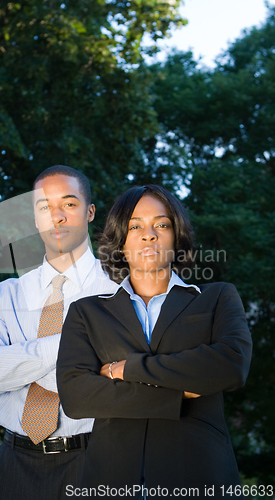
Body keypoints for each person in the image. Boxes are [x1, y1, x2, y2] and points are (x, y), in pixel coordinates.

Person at [57, 185, 253, 500]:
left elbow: (230, 365)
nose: (149, 235)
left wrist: (129, 368)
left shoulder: (217, 297)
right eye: (135, 226)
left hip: (201, 478)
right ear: (120, 241)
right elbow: (77, 397)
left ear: (176, 236)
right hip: (110, 481)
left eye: (161, 225)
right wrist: (178, 395)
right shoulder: (86, 312)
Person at [0, 165, 118, 500]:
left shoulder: (120, 293)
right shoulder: (4, 295)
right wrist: (71, 346)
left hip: (99, 462)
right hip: (13, 465)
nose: (56, 216)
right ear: (35, 218)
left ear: (90, 212)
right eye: (44, 207)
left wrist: (16, 363)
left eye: (69, 204)